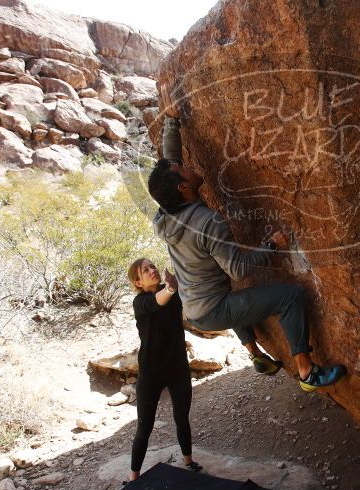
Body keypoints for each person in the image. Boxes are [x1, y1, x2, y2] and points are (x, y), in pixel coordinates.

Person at [146, 89, 346, 392]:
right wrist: (273, 246)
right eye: (184, 169)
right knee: (289, 296)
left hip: (193, 307)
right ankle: (307, 373)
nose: (187, 164)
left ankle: (254, 353)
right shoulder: (207, 223)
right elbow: (240, 269)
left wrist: (172, 122)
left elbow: (169, 162)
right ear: (185, 187)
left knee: (225, 286)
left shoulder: (166, 212)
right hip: (213, 310)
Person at [126, 258, 202, 483]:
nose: (152, 270)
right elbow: (157, 302)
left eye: (153, 266)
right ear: (138, 282)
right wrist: (170, 288)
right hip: (151, 373)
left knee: (182, 417)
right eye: (145, 270)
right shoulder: (140, 302)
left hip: (178, 367)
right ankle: (133, 477)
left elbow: (183, 295)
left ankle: (188, 461)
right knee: (144, 426)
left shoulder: (172, 292)